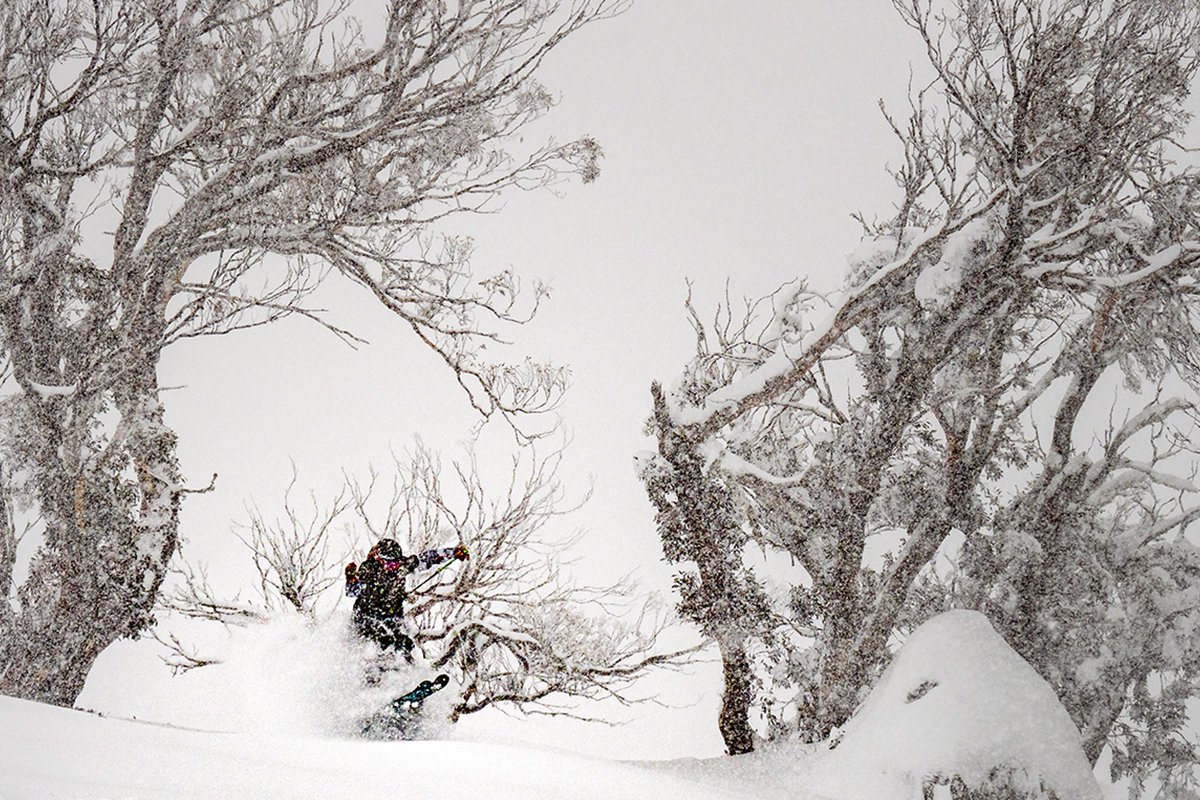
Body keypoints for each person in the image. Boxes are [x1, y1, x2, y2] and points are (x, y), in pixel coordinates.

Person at [344, 538, 468, 660]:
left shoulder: (402, 566)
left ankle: (407, 673)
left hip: (392, 616)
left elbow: (427, 558)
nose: (393, 567)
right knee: (382, 642)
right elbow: (352, 592)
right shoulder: (369, 570)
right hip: (367, 617)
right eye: (389, 564)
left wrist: (453, 553)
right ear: (379, 559)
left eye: (396, 563)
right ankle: (370, 671)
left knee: (404, 645)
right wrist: (351, 579)